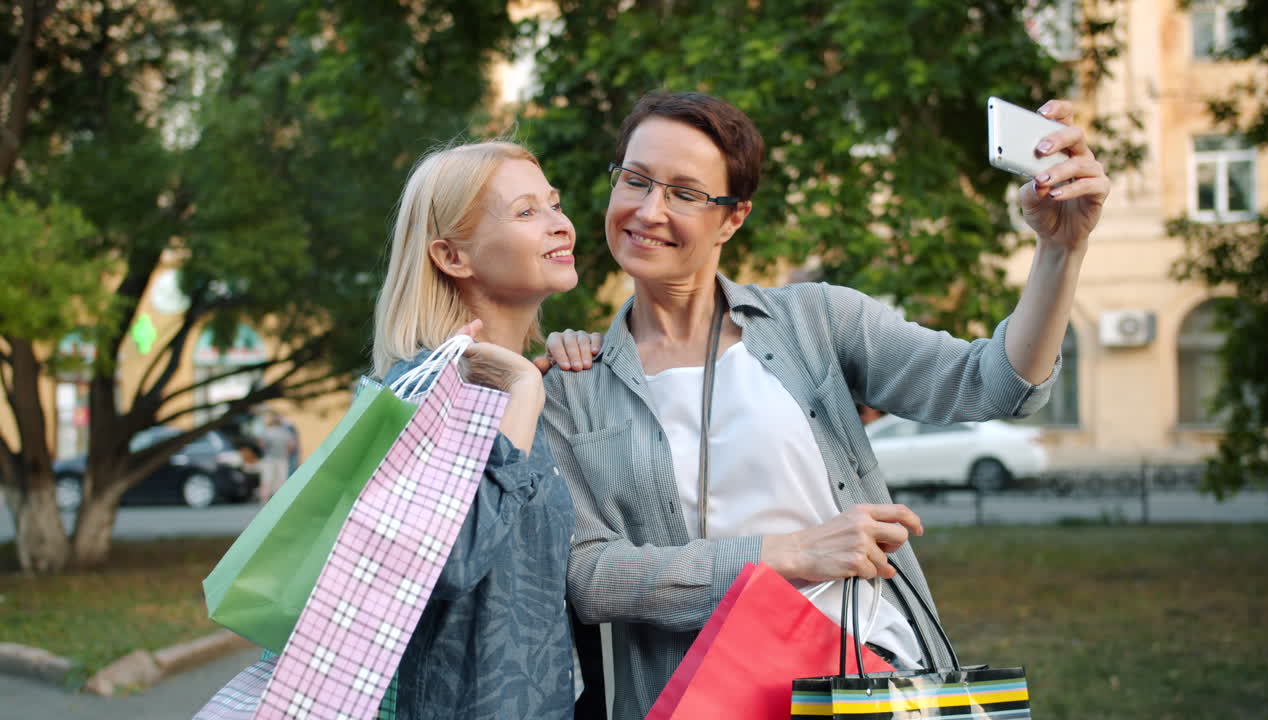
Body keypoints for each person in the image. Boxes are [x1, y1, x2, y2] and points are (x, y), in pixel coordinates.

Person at [540, 91, 1109, 719]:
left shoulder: (816, 321)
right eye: (637, 180)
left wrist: (1061, 251)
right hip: (701, 696)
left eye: (686, 193)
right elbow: (590, 576)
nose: (649, 210)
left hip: (863, 681)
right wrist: (786, 554)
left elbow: (992, 383)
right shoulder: (573, 383)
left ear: (733, 218)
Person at [194, 140, 580, 720]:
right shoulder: (428, 392)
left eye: (554, 204)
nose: (561, 226)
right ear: (452, 256)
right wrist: (523, 394)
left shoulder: (528, 384)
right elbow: (448, 564)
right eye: (527, 212)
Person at [255, 411, 294, 503]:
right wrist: (287, 454)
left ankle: (264, 499)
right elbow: (291, 445)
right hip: (281, 458)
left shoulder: (267, 431)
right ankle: (278, 500)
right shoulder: (284, 431)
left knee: (267, 479)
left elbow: (261, 444)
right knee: (280, 480)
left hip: (270, 458)